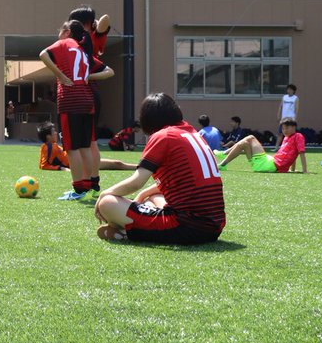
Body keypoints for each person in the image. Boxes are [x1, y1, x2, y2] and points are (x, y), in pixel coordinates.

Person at [94, 92, 226, 244]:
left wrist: (104, 194)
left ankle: (127, 232)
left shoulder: (164, 136)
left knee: (108, 203)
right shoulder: (193, 133)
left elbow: (136, 181)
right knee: (154, 198)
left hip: (187, 227)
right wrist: (144, 194)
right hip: (213, 226)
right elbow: (186, 182)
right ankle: (129, 227)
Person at [39, 19, 114, 202]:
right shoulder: (85, 52)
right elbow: (110, 71)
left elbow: (43, 54)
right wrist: (89, 76)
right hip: (87, 102)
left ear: (67, 32)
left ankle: (79, 188)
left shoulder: (64, 43)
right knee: (85, 146)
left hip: (70, 101)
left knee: (72, 149)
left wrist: (61, 76)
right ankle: (90, 184)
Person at [219, 118, 308, 174]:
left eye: (286, 128)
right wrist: (292, 170)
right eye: (283, 128)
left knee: (250, 137)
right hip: (264, 164)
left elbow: (301, 153)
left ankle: (223, 153)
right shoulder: (286, 138)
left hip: (269, 165)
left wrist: (304, 171)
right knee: (244, 144)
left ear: (294, 127)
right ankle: (222, 164)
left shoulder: (298, 136)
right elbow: (292, 154)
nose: (284, 131)